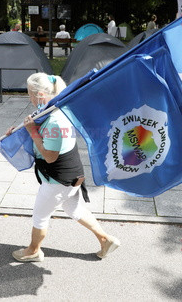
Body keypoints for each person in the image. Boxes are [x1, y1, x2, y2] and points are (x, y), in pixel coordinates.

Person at [9, 73, 120, 262]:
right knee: (75, 210)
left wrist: (32, 131)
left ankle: (33, 251)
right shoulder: (53, 111)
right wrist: (17, 132)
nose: (29, 98)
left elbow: (50, 157)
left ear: (40, 95)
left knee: (40, 216)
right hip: (71, 175)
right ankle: (105, 240)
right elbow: (37, 131)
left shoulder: (55, 121)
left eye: (30, 94)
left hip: (59, 180)